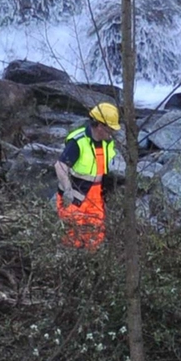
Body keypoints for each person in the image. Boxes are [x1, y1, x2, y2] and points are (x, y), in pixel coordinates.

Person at [54, 103, 120, 251]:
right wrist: (68, 191)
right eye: (110, 129)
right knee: (71, 237)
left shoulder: (107, 143)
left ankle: (90, 265)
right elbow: (60, 166)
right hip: (75, 198)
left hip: (96, 197)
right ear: (100, 126)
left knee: (95, 237)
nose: (112, 133)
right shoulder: (78, 142)